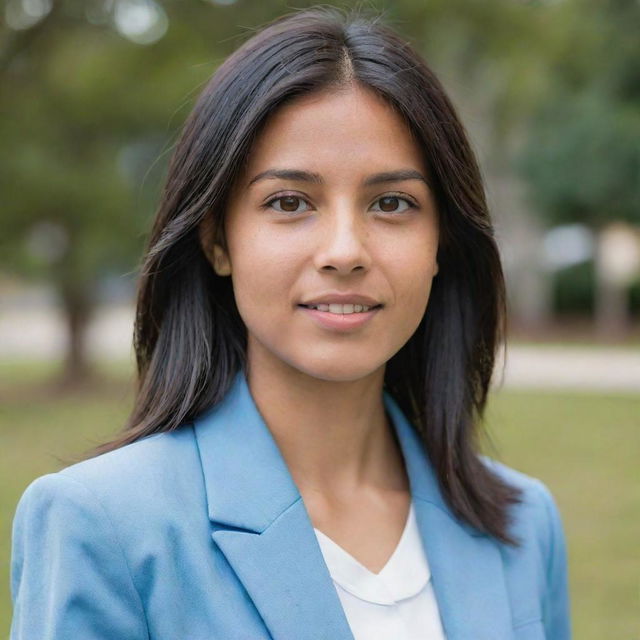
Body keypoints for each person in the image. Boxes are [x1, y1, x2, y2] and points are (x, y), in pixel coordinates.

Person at [9, 6, 571, 640]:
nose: (344, 250)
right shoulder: (102, 525)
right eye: (289, 202)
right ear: (218, 240)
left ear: (441, 241)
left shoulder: (523, 526)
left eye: (392, 203)